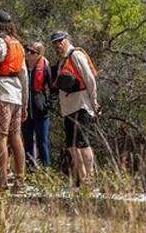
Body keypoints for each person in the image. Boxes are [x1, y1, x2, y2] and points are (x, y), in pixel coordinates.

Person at [0, 11, 28, 191]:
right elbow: (24, 74)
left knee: (0, 136)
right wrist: (25, 102)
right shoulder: (18, 45)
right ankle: (20, 179)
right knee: (16, 136)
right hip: (16, 92)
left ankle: (2, 181)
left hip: (1, 90)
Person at [51, 30, 99, 187]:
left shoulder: (76, 55)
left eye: (60, 40)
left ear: (67, 39)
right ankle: (81, 177)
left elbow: (89, 79)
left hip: (81, 105)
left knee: (83, 143)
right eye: (55, 42)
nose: (58, 44)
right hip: (68, 108)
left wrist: (94, 101)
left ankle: (90, 179)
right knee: (72, 145)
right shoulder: (61, 61)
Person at [22, 42, 53, 168]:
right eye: (28, 50)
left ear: (39, 55)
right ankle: (30, 171)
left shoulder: (45, 68)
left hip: (41, 111)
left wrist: (49, 104)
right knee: (27, 142)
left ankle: (46, 170)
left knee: (42, 142)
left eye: (33, 52)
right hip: (25, 112)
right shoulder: (21, 68)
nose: (29, 53)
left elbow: (53, 89)